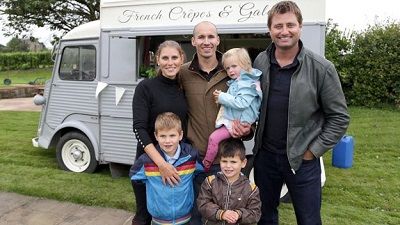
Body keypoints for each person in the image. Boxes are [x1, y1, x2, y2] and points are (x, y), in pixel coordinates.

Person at [252, 1, 350, 225]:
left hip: (302, 161)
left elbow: (339, 117)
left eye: (290, 25)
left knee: (308, 220)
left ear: (300, 27)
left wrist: (313, 151)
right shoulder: (261, 61)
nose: (284, 31)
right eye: (278, 26)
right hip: (265, 158)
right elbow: (256, 103)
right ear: (270, 29)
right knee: (264, 217)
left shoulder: (322, 68)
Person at [179, 21, 252, 225]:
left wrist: (247, 129)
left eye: (211, 37)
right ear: (193, 41)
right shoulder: (183, 73)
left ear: (218, 40)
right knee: (195, 215)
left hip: (227, 159)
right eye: (201, 37)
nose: (206, 42)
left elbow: (252, 104)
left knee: (226, 217)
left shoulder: (232, 70)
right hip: (196, 158)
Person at [130, 40, 187, 225]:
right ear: (158, 61)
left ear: (181, 59)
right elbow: (138, 128)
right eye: (165, 58)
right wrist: (161, 164)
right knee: (145, 215)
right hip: (150, 164)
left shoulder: (184, 87)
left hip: (179, 162)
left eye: (174, 57)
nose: (170, 62)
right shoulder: (145, 87)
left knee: (176, 216)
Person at [130, 112, 203, 225]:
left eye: (172, 135)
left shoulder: (191, 156)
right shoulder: (147, 161)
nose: (167, 141)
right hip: (158, 221)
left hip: (185, 219)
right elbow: (134, 176)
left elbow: (200, 172)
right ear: (156, 136)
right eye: (163, 136)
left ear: (180, 135)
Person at [202, 48, 262, 172]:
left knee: (214, 138)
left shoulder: (247, 83)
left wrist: (222, 97)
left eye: (234, 66)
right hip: (236, 121)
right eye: (228, 68)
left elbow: (242, 102)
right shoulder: (239, 82)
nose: (230, 70)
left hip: (237, 123)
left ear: (245, 65)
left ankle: (206, 163)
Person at [197, 138, 261, 225]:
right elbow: (203, 204)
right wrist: (221, 214)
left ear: (243, 163)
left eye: (233, 162)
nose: (228, 166)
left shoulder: (251, 188)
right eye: (224, 161)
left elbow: (255, 213)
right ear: (219, 161)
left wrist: (239, 214)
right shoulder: (210, 182)